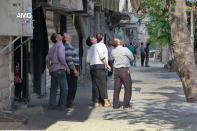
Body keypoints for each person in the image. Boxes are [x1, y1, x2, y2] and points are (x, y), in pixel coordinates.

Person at [46, 33, 70, 110]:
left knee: (53, 89)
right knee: (64, 88)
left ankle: (51, 105)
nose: (60, 35)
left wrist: (49, 68)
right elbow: (61, 56)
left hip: (53, 69)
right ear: (57, 39)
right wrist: (66, 66)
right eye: (58, 35)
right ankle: (62, 106)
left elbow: (47, 59)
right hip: (60, 68)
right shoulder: (60, 45)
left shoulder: (52, 47)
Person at [86, 35, 111, 108]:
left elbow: (87, 60)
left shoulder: (89, 49)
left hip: (92, 67)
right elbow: (101, 56)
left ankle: (96, 102)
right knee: (102, 84)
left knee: (95, 85)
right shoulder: (97, 46)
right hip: (99, 67)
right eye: (92, 37)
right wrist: (107, 65)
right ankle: (106, 102)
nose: (94, 38)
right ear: (92, 41)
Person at [110, 38, 133, 109]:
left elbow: (111, 59)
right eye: (118, 39)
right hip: (124, 70)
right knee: (128, 87)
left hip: (116, 70)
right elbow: (131, 57)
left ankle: (115, 105)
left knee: (116, 88)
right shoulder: (125, 49)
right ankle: (126, 105)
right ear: (118, 43)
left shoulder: (113, 51)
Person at [61, 33, 79, 108]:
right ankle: (69, 102)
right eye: (67, 34)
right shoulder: (67, 47)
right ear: (66, 39)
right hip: (72, 69)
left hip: (72, 68)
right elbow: (69, 59)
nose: (69, 34)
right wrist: (74, 70)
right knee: (72, 86)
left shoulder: (69, 46)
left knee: (71, 86)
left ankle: (69, 101)